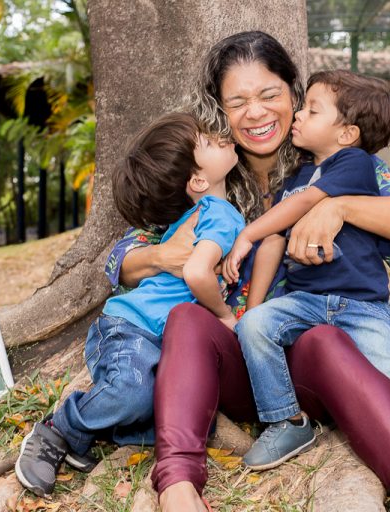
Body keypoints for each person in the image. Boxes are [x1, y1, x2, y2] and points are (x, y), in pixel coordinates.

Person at [107, 32, 390, 512]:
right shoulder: (207, 171)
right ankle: (178, 487)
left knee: (324, 340)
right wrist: (163, 258)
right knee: (188, 322)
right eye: (238, 102)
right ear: (220, 110)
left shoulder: (327, 160)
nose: (255, 113)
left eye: (269, 95)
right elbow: (125, 254)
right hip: (240, 360)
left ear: (294, 95)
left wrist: (341, 207)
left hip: (323, 365)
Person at [15, 112, 246, 497]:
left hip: (165, 339)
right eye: (207, 140)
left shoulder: (205, 214)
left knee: (175, 410)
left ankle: (99, 432)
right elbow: (192, 272)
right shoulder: (215, 214)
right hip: (132, 327)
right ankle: (58, 431)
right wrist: (224, 315)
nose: (221, 137)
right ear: (198, 180)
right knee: (130, 392)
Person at [222, 68, 390, 473]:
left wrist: (247, 233)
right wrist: (251, 309)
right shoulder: (297, 178)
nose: (300, 116)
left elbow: (302, 206)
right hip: (306, 302)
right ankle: (286, 421)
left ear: (347, 134)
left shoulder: (354, 164)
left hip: (360, 304)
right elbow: (276, 238)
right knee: (256, 327)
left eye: (312, 110)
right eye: (302, 107)